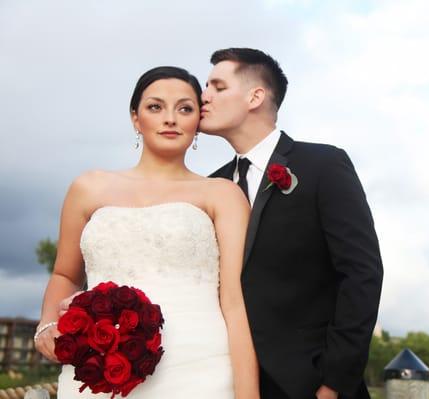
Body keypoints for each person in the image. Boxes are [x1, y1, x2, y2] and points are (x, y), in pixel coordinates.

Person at [34, 66, 259, 399]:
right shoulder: (88, 188)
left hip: (202, 369)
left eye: (185, 108)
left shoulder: (222, 194)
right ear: (135, 118)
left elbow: (235, 303)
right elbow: (65, 273)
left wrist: (248, 393)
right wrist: (47, 324)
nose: (170, 118)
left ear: (198, 122)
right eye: (156, 107)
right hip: (99, 370)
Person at [202, 48, 384, 399]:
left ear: (256, 96)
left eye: (217, 86)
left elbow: (361, 273)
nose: (203, 96)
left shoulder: (323, 165)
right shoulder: (211, 186)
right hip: (228, 381)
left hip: (310, 384)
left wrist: (333, 383)